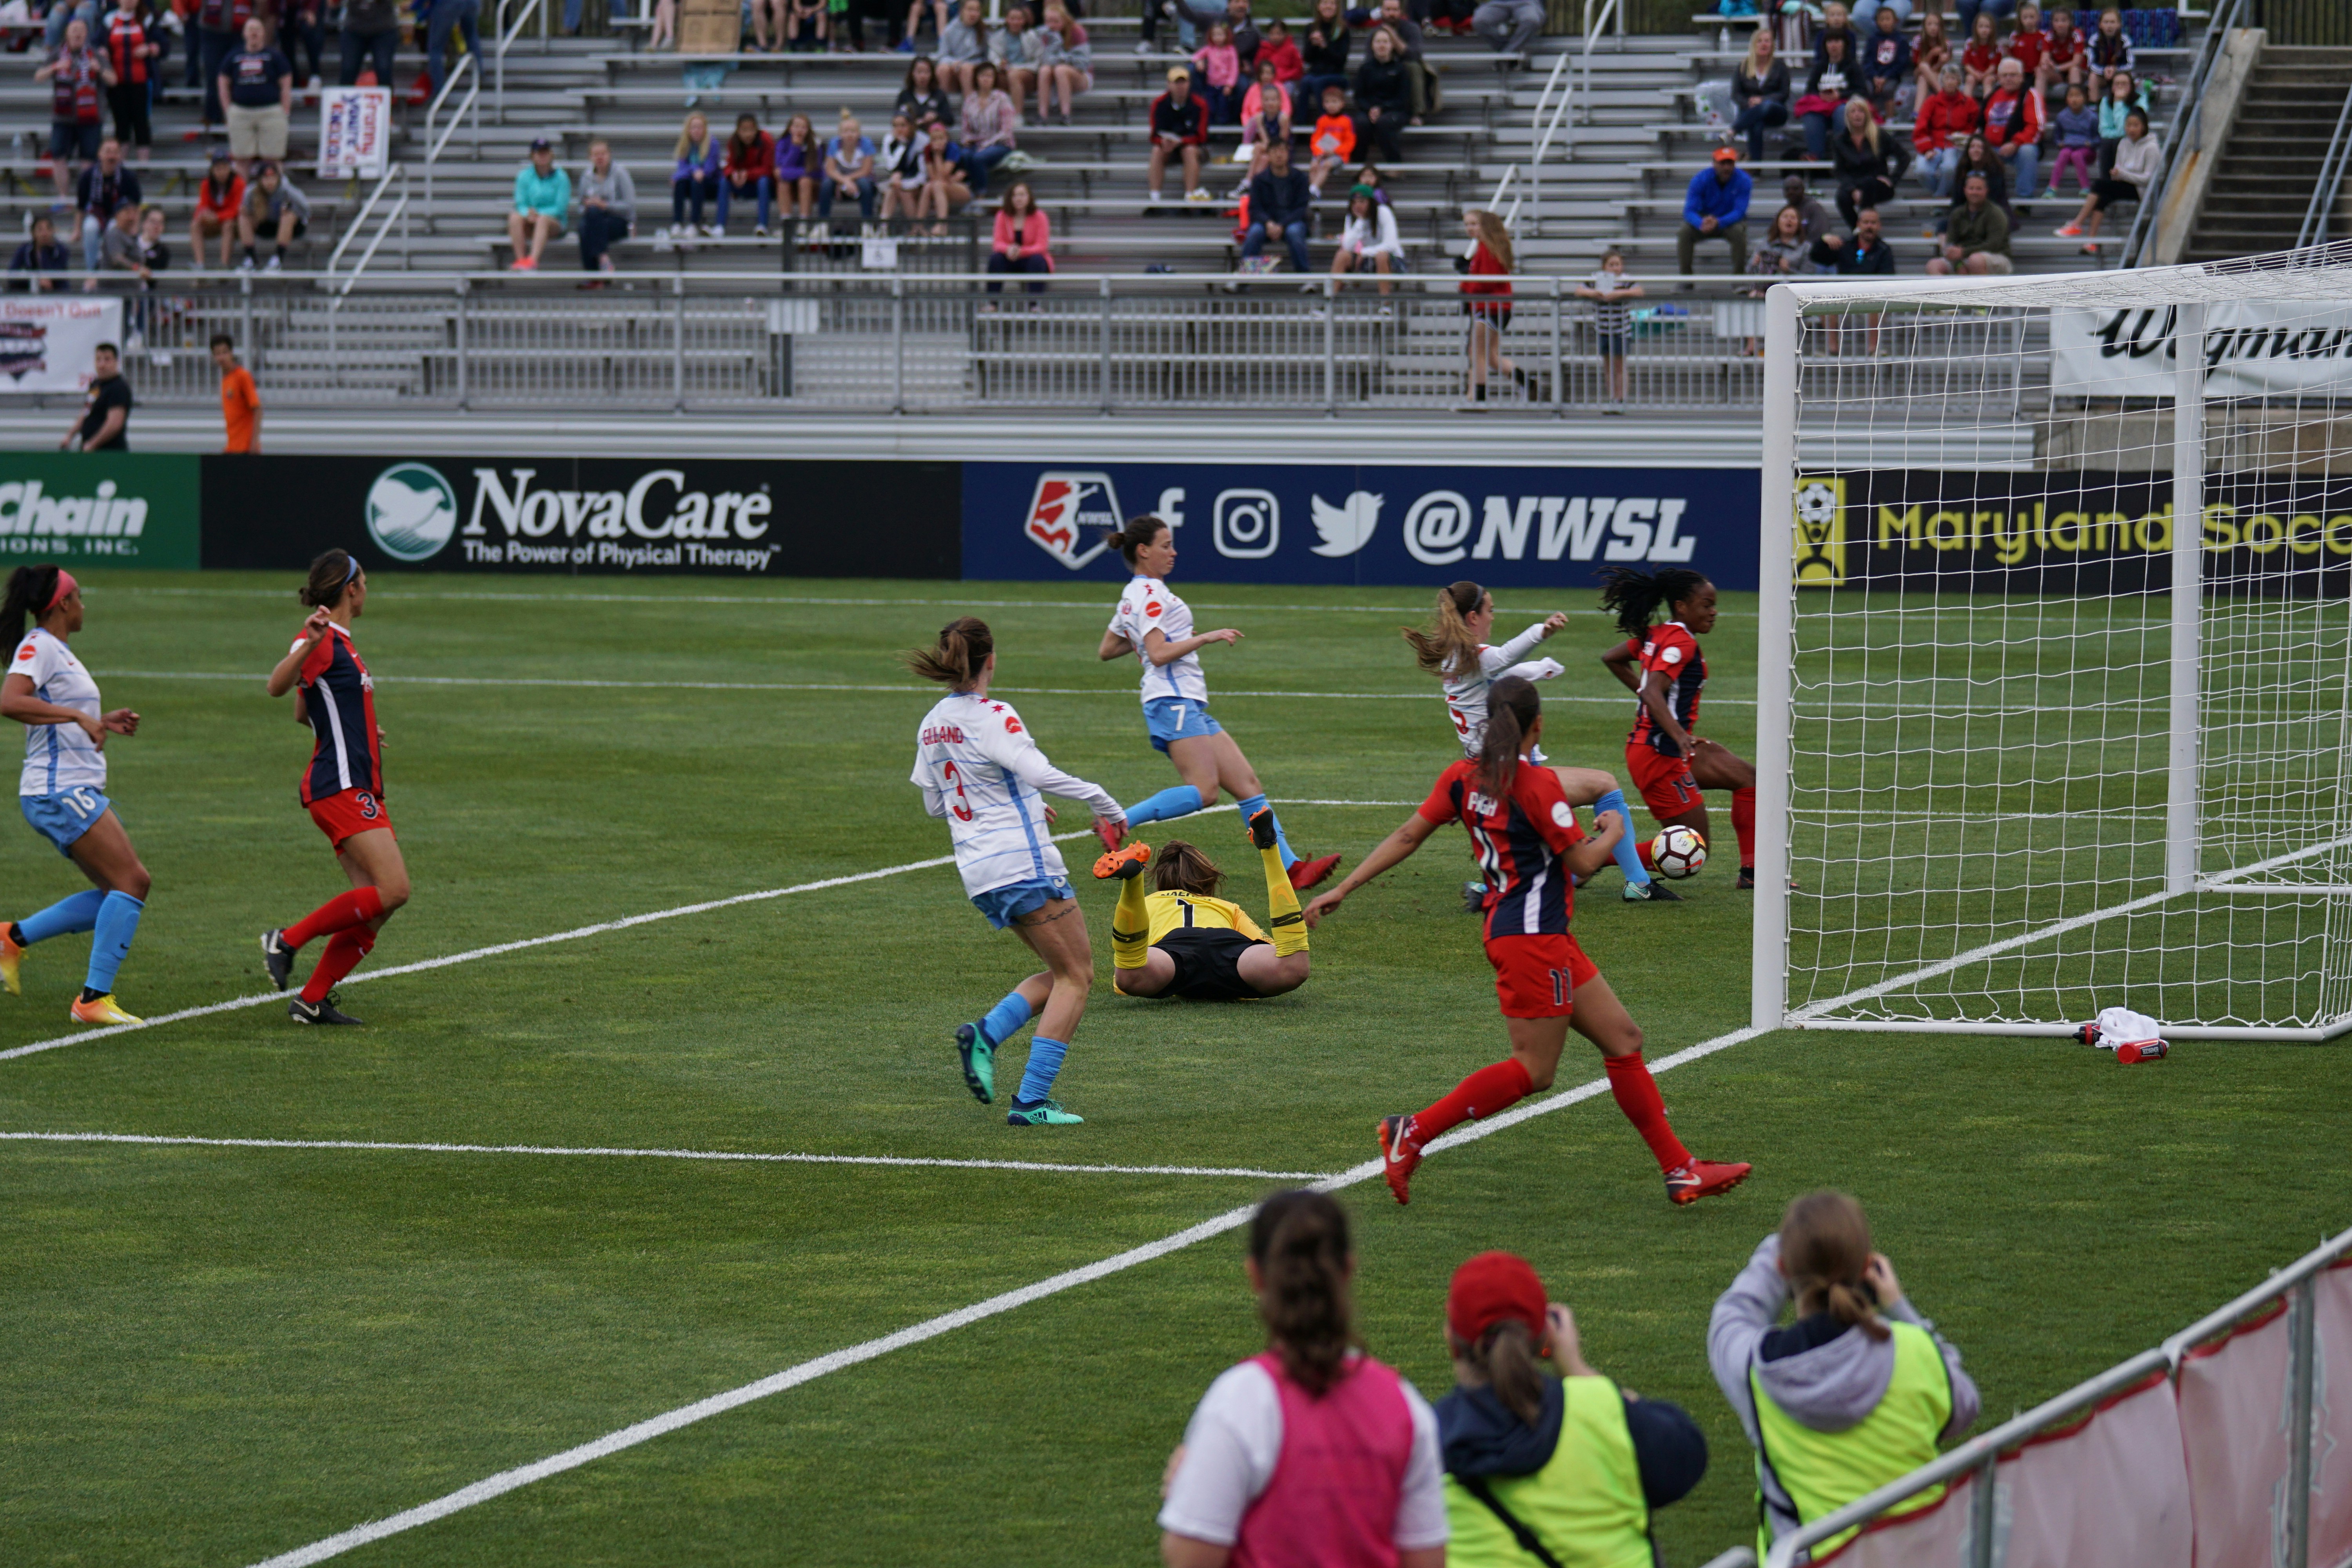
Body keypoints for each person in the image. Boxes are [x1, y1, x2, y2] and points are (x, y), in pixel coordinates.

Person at [1302, 675, 1752, 1208]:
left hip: (1530, 933)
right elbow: (1584, 862)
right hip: (1532, 939)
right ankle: (1413, 1132)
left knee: (1624, 1040)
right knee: (1535, 1071)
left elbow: (1408, 835)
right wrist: (1611, 828)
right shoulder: (1538, 787)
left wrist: (1346, 889)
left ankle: (1681, 1170)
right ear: (1537, 725)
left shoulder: (1462, 779)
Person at [1158, 1190, 1450, 1568]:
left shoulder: (1240, 1402)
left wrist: (1186, 1492)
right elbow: (1428, 1560)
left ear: (1255, 1275)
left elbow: (1190, 1558)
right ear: (1347, 1270)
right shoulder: (1406, 1408)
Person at [910, 616, 1124, 1124]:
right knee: (1078, 977)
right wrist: (1105, 803)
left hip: (979, 872)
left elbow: (935, 806)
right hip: (1023, 864)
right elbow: (1039, 773)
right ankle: (1030, 1101)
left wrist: (1018, 803)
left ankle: (984, 1036)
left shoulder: (932, 722)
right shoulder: (993, 715)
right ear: (991, 660)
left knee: (1059, 974)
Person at [1710, 1191, 1980, 1560]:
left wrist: (1785, 1248)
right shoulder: (1914, 1348)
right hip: (1925, 1556)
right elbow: (1965, 1404)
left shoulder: (1758, 1370)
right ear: (1868, 1266)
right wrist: (1899, 1307)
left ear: (1785, 1269)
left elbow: (1731, 1318)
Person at [1097, 514, 1338, 891]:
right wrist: (1204, 638)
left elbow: (1108, 649)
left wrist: (1167, 637)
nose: (1173, 552)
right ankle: (1117, 821)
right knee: (1204, 791)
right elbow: (1159, 655)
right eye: (1165, 545)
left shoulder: (1135, 594)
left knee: (1247, 786)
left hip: (1185, 700)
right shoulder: (1151, 594)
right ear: (1143, 551)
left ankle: (1291, 868)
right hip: (1171, 699)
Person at [1436, 1250, 1709, 1567]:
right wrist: (1579, 1370)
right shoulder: (1600, 1408)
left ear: (1452, 1341)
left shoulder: (1423, 1440)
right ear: (1545, 1338)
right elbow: (1686, 1458)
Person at [1403, 579, 1662, 904]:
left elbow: (1493, 679)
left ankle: (1499, 888)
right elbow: (1501, 659)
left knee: (1577, 869)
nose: (1493, 617)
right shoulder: (1475, 657)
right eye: (1491, 610)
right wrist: (1543, 630)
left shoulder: (1454, 660)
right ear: (1473, 618)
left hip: (1489, 778)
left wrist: (1536, 671)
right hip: (1516, 778)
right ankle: (1638, 884)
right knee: (1606, 785)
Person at [260, 551, 409, 1027]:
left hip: (354, 783)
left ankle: (311, 1000)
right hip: (339, 785)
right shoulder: (320, 639)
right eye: (364, 581)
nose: (368, 589)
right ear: (351, 588)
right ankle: (285, 940)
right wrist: (307, 645)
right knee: (395, 889)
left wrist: (363, 727)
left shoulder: (341, 644)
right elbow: (276, 687)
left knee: (373, 907)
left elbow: (308, 713)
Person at [0, 564, 148, 1026]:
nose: (84, 604)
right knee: (133, 881)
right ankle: (92, 1000)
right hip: (58, 790)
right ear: (63, 603)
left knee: (116, 891)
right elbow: (9, 700)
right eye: (79, 596)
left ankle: (11, 938)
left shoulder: (58, 651)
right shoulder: (39, 646)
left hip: (66, 787)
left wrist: (99, 720)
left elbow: (54, 713)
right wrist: (78, 717)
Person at [1597, 565, 1764, 886]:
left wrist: (1669, 723)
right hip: (1659, 754)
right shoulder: (1681, 643)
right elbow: (1652, 690)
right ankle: (1588, 856)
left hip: (1662, 747)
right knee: (1693, 847)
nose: (1714, 612)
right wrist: (1676, 732)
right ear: (1681, 606)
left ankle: (1753, 873)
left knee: (1749, 780)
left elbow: (1612, 658)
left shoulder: (1658, 634)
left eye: (1714, 605)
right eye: (1706, 605)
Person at [1095, 819, 1311, 1002]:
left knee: (1130, 973)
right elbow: (1274, 949)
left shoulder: (1148, 903)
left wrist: (1129, 973)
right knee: (1293, 965)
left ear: (1161, 881)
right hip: (1228, 947)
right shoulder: (1227, 907)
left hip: (1172, 953)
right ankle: (1270, 849)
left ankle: (1134, 879)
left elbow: (1122, 985)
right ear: (1208, 881)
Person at [2055, 104, 2154, 252]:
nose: (2132, 129)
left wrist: (2123, 175)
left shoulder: (2151, 148)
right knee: (2102, 198)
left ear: (2144, 127)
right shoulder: (2124, 143)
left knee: (2099, 185)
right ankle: (2091, 241)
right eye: (2129, 125)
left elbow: (2148, 179)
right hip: (2125, 184)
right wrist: (2117, 175)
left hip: (2141, 190)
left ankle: (2077, 224)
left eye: (2136, 126)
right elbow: (2120, 168)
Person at [38, 17, 115, 201]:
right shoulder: (58, 54)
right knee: (58, 155)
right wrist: (55, 68)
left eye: (81, 30)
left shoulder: (96, 55)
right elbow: (38, 76)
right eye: (74, 30)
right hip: (62, 117)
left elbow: (114, 80)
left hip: (90, 117)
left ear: (87, 34)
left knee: (88, 159)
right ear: (67, 34)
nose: (77, 34)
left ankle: (85, 198)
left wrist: (100, 70)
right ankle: (63, 197)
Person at [216, 16, 289, 172]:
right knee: (241, 160)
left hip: (270, 112)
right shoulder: (234, 56)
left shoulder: (274, 56)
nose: (254, 33)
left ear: (264, 33)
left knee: (273, 159)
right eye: (250, 29)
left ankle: (276, 195)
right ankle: (242, 196)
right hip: (241, 112)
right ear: (244, 34)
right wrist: (228, 110)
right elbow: (223, 81)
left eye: (258, 29)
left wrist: (285, 110)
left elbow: (286, 82)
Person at [1459, 207, 1515, 408]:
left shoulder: (1487, 249)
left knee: (1477, 353)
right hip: (1493, 306)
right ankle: (1527, 383)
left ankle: (1479, 398)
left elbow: (1486, 281)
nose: (1472, 229)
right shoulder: (1489, 248)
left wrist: (1467, 287)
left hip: (1491, 306)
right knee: (1489, 355)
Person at [1574, 246, 1642, 411]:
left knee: (1620, 365)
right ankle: (1612, 398)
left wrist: (1619, 294)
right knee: (1608, 366)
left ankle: (1621, 399)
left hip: (1621, 330)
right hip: (1603, 330)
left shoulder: (1625, 279)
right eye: (1612, 265)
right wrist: (1593, 294)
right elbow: (1579, 290)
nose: (1615, 268)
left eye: (1618, 264)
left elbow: (1639, 291)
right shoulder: (1597, 278)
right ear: (1604, 266)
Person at [1829, 97, 1907, 227]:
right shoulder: (1840, 140)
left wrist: (1893, 179)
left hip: (1878, 185)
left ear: (1867, 114)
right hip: (1854, 183)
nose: (1857, 115)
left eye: (1861, 111)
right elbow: (1840, 170)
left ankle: (1867, 227)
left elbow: (1904, 157)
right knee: (1842, 198)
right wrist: (1853, 189)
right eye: (1853, 112)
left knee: (1869, 185)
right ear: (1847, 116)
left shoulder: (1879, 135)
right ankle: (1858, 231)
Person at [1241, 135, 1311, 275]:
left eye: (1282, 151)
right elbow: (1255, 208)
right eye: (1274, 151)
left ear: (1288, 153)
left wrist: (1282, 225)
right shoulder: (1259, 180)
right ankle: (1244, 278)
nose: (1279, 155)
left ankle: (1305, 277)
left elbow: (1301, 208)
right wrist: (1269, 224)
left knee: (1294, 232)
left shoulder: (1300, 178)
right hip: (1266, 223)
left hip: (1292, 221)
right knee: (1255, 232)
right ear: (1268, 155)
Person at [1980, 56, 2042, 212]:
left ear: (2022, 77)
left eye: (2013, 75)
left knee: (2028, 151)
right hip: (1992, 147)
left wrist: (2015, 143)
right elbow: (1981, 122)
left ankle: (2024, 202)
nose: (2009, 79)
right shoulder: (1994, 95)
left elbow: (2036, 127)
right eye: (2005, 75)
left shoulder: (2031, 95)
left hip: (2018, 148)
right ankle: (1981, 201)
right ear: (1999, 78)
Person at [1677, 145, 1750, 279]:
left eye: (1730, 163)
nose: (1727, 168)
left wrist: (1719, 222)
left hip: (1729, 222)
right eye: (1723, 163)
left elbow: (1739, 212)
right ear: (1714, 163)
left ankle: (1739, 279)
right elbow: (1689, 211)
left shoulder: (1744, 180)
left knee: (1740, 233)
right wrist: (1701, 223)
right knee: (1684, 232)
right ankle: (1685, 279)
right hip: (1705, 221)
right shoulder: (1700, 179)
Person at [73, 136, 139, 274]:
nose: (112, 156)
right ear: (100, 154)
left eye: (115, 152)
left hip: (119, 218)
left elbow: (136, 206)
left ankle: (107, 270)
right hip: (97, 215)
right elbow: (81, 206)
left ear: (120, 156)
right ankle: (92, 272)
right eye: (108, 152)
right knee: (90, 228)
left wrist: (135, 227)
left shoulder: (128, 177)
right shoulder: (88, 176)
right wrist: (77, 230)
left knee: (113, 231)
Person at [1147, 65, 1210, 204]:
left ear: (1189, 84)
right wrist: (1164, 142)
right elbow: (1154, 135)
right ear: (1169, 85)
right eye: (1176, 82)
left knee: (1189, 151)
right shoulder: (1159, 104)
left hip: (1194, 148)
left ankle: (1190, 196)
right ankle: (1155, 198)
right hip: (1169, 147)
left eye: (1184, 82)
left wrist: (1182, 141)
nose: (1180, 86)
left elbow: (1202, 136)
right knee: (1157, 150)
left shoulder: (1200, 105)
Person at [1927, 168, 2011, 272]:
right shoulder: (1957, 213)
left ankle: (1982, 288)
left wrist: (1964, 253)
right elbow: (1951, 243)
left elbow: (1994, 244)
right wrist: (1958, 264)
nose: (1975, 192)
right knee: (1934, 265)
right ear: (1965, 190)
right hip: (1962, 257)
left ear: (1986, 191)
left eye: (1979, 189)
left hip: (1996, 256)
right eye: (1971, 188)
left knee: (1975, 261)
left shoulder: (1996, 213)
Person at [1913, 64, 1977, 198]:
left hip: (1955, 145)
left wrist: (1962, 137)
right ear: (1942, 81)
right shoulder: (1931, 102)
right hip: (1933, 144)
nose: (1950, 82)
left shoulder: (1969, 103)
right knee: (1921, 171)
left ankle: (1939, 199)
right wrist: (1927, 149)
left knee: (1949, 169)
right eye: (1947, 79)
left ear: (1959, 82)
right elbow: (1920, 127)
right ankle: (1944, 194)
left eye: (1954, 79)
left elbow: (1974, 125)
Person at [575, 138, 636, 279]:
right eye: (596, 154)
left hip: (619, 221)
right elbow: (580, 207)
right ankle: (603, 260)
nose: (600, 157)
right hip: (595, 220)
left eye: (603, 154)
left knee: (587, 227)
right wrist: (588, 205)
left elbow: (630, 206)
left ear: (609, 155)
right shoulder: (586, 177)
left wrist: (606, 206)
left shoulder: (620, 173)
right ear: (590, 157)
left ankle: (593, 274)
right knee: (586, 223)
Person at [100, 0, 156, 155]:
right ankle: (121, 165)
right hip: (116, 82)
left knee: (141, 122)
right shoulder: (109, 19)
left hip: (141, 81)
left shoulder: (146, 18)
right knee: (121, 123)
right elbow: (99, 42)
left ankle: (143, 166)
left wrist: (149, 49)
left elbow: (162, 44)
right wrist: (103, 51)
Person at [1730, 27, 1789, 167]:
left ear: (1772, 45)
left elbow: (1784, 93)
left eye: (1767, 41)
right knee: (1756, 125)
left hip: (1776, 111)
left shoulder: (1780, 66)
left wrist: (1763, 100)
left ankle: (1734, 129)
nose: (1764, 44)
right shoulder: (1743, 66)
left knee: (1766, 105)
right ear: (1754, 45)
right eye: (1760, 41)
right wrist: (1748, 103)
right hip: (1751, 112)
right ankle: (1756, 168)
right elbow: (1736, 94)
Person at [506, 136, 568, 270]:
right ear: (532, 156)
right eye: (539, 153)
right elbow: (520, 203)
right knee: (515, 217)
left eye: (545, 153)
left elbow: (561, 207)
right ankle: (521, 259)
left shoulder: (561, 177)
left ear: (551, 155)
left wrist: (539, 214)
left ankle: (533, 260)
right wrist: (527, 214)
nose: (542, 156)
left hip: (554, 223)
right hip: (531, 220)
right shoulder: (524, 176)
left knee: (543, 220)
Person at [1352, 24, 1410, 163]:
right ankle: (1358, 165)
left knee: (1384, 123)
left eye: (1386, 42)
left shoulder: (1401, 69)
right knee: (1361, 123)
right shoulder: (1365, 69)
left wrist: (1382, 109)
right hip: (1369, 110)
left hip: (1394, 111)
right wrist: (1370, 110)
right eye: (1378, 42)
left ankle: (1395, 166)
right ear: (1372, 46)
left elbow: (1403, 98)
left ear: (1392, 46)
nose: (1382, 46)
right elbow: (1359, 97)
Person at [236, 158, 307, 271]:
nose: (270, 182)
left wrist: (291, 208)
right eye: (266, 178)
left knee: (288, 216)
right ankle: (251, 258)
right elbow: (244, 209)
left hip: (289, 227)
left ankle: (278, 259)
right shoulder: (251, 192)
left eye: (273, 178)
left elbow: (306, 209)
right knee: (243, 216)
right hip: (266, 224)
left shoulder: (287, 190)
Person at [1794, 33, 1855, 163]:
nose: (1834, 45)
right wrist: (1821, 96)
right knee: (1811, 115)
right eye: (1830, 42)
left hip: (1842, 105)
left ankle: (1842, 156)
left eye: (1837, 41)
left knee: (1842, 112)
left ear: (1844, 45)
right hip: (1822, 106)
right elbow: (1810, 90)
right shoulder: (1819, 67)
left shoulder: (1853, 66)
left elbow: (1861, 91)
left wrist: (1840, 95)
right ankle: (1815, 157)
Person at [985, 178, 1051, 298]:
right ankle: (992, 303)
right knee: (996, 259)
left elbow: (1042, 246)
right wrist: (1008, 250)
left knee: (1037, 260)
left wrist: (1021, 252)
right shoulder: (1002, 216)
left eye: (1022, 195)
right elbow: (998, 243)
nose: (1018, 199)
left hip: (1030, 259)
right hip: (1009, 258)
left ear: (1029, 197)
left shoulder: (1040, 216)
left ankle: (1035, 304)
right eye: (1015, 195)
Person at [1332, 182, 1400, 294]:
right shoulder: (1353, 218)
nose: (1357, 206)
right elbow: (1347, 246)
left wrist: (1363, 253)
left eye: (1362, 202)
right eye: (1354, 203)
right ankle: (1329, 301)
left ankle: (1386, 304)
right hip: (1365, 260)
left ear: (1371, 203)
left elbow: (1391, 245)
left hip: (1391, 259)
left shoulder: (1383, 212)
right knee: (1342, 255)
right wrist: (1361, 221)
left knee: (1381, 256)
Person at [717, 111, 776, 235]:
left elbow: (768, 169)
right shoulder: (734, 142)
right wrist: (733, 175)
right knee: (724, 182)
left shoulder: (766, 140)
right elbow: (729, 165)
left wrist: (747, 174)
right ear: (738, 131)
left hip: (762, 185)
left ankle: (762, 225)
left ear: (756, 129)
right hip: (742, 184)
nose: (748, 135)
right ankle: (720, 226)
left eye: (751, 130)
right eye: (744, 130)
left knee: (764, 181)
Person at [1031, 2, 1089, 127]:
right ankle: (1042, 115)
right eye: (1048, 21)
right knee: (1045, 70)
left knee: (1061, 70)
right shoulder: (1045, 34)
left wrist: (1062, 59)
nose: (1052, 26)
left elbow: (1083, 62)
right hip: (1053, 76)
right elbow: (1043, 60)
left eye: (1056, 21)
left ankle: (1066, 114)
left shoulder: (1077, 31)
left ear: (1064, 19)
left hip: (1079, 75)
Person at [1237, 60, 1293, 185]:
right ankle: (1251, 183)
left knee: (1262, 153)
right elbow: (1246, 110)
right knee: (1262, 156)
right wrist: (1249, 123)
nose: (1270, 103)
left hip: (1279, 146)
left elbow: (1281, 142)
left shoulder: (1280, 90)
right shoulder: (1254, 91)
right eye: (1267, 100)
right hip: (1266, 140)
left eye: (1273, 100)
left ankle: (1249, 182)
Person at [668, 112, 721, 237]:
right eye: (693, 128)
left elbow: (710, 169)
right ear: (688, 130)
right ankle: (677, 223)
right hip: (693, 180)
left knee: (696, 182)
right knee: (680, 183)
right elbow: (682, 168)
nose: (696, 131)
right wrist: (694, 170)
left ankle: (694, 224)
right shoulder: (685, 145)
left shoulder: (713, 144)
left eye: (700, 127)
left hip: (710, 184)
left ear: (705, 129)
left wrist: (695, 171)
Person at [189, 150, 243, 270]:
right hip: (215, 220)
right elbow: (202, 205)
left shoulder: (238, 183)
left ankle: (223, 264)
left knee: (228, 225)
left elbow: (236, 210)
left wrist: (217, 217)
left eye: (224, 168)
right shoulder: (207, 184)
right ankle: (200, 264)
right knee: (195, 225)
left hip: (233, 223)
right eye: (218, 168)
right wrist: (203, 214)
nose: (221, 172)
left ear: (230, 169)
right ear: (212, 170)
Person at [817, 113, 877, 219]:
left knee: (865, 185)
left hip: (861, 178)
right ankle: (823, 222)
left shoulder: (866, 144)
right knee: (826, 185)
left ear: (859, 133)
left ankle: (868, 223)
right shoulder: (834, 144)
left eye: (853, 131)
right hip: (840, 179)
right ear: (840, 134)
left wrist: (848, 180)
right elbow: (830, 170)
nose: (850, 135)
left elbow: (866, 171)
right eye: (846, 132)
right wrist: (845, 181)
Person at [913, 117, 969, 229]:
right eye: (935, 139)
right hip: (942, 185)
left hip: (962, 189)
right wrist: (935, 155)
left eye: (941, 138)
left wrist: (938, 156)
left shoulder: (953, 149)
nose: (938, 142)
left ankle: (942, 224)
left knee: (937, 185)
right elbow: (934, 178)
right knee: (928, 186)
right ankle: (918, 226)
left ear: (947, 138)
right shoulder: (928, 151)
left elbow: (943, 176)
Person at [2045, 80, 2098, 199]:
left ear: (2085, 98)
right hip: (2069, 147)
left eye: (2078, 96)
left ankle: (2086, 187)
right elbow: (2057, 136)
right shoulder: (2062, 116)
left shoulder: (2092, 117)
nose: (2075, 99)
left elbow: (2098, 138)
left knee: (2077, 155)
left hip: (2087, 152)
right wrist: (2059, 143)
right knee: (2064, 153)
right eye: (2071, 96)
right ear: (2067, 99)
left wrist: (2091, 143)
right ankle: (2052, 187)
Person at [1298, 0, 1349, 121]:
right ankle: (1301, 126)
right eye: (1325, 3)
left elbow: (1341, 60)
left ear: (1337, 7)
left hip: (1336, 74)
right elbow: (1308, 58)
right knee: (1305, 82)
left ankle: (1326, 121)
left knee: (1318, 83)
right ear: (1319, 7)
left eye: (1332, 3)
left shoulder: (1342, 29)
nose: (1328, 7)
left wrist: (1325, 46)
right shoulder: (1312, 28)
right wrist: (1313, 45)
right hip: (1316, 73)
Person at [1307, 83, 1355, 196]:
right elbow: (1316, 139)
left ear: (1342, 104)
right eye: (1328, 102)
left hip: (1339, 155)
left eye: (1335, 102)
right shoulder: (1322, 121)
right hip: (1322, 152)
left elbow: (1350, 142)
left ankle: (1313, 188)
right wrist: (1319, 153)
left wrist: (1335, 151)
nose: (1331, 105)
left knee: (1326, 165)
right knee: (1314, 166)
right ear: (1324, 104)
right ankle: (1315, 191)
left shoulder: (1346, 121)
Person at [213, 330, 258, 451]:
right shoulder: (226, 380)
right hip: (232, 447)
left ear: (232, 353)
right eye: (218, 354)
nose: (222, 357)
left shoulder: (242, 377)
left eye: (225, 352)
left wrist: (254, 443)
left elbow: (257, 408)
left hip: (246, 448)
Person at [1189, 17, 1240, 124]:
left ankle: (1222, 130)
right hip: (1211, 85)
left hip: (1224, 85)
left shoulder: (1231, 50)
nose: (1218, 38)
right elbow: (1195, 56)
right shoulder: (1209, 49)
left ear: (1226, 36)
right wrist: (1199, 61)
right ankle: (1211, 128)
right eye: (1215, 35)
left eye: (1221, 35)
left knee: (1223, 108)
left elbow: (1234, 69)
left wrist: (1230, 85)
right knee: (1211, 107)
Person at [338, 0, 399, 87]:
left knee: (384, 69)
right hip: (354, 29)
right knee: (348, 69)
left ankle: (387, 99)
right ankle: (345, 99)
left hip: (384, 29)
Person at [1858, 4, 1906, 114]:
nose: (1885, 23)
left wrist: (1886, 77)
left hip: (1891, 76)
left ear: (1895, 21)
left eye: (1888, 19)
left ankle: (1890, 118)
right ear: (1877, 22)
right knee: (1868, 89)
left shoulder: (1901, 40)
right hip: (1874, 76)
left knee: (1888, 90)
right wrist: (1874, 77)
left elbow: (1901, 63)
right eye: (1882, 20)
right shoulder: (1873, 39)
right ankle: (1873, 118)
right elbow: (1868, 60)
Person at [989, 4, 1033, 119]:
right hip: (1005, 71)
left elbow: (1038, 60)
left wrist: (1019, 68)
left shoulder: (1032, 37)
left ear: (1024, 21)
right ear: (1007, 20)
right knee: (988, 75)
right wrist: (1000, 64)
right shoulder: (997, 37)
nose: (1016, 22)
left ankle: (1017, 115)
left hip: (1027, 70)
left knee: (1014, 76)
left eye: (1019, 19)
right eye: (1013, 19)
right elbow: (993, 57)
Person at [877, 109, 923, 220]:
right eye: (896, 126)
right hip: (898, 182)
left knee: (901, 190)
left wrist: (904, 182)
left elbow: (922, 173)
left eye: (903, 126)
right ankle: (884, 226)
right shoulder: (890, 140)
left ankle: (915, 228)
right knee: (893, 190)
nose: (899, 129)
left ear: (911, 126)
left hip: (919, 180)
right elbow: (891, 166)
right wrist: (901, 146)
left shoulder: (921, 141)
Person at [772, 114, 820, 220]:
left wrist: (788, 173)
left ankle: (804, 222)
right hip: (790, 183)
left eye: (804, 127)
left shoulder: (816, 144)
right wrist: (795, 148)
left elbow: (817, 171)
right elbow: (781, 169)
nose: (800, 131)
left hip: (812, 185)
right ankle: (787, 222)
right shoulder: (783, 143)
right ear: (790, 128)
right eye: (797, 127)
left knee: (805, 181)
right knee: (783, 183)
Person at [11, 212, 71, 293]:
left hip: (56, 293)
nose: (44, 234)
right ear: (33, 233)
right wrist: (35, 281)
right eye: (40, 230)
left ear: (53, 231)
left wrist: (45, 252)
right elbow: (12, 274)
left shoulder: (61, 251)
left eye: (48, 229)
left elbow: (60, 276)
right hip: (27, 293)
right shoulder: (24, 250)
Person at [936, 0, 985, 94]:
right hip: (955, 68)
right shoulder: (950, 30)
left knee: (966, 69)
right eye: (970, 10)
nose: (974, 14)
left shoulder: (983, 31)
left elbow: (987, 57)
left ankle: (970, 104)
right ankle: (942, 102)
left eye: (977, 10)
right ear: (961, 11)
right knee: (943, 69)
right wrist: (954, 63)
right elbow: (942, 56)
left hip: (975, 69)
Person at [2039, 4, 2084, 93]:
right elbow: (2044, 59)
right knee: (2041, 70)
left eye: (2064, 21)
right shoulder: (2049, 36)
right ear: (2052, 23)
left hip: (2075, 70)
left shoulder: (2077, 35)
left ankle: (2075, 102)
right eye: (2056, 21)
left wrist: (2058, 68)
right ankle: (2039, 104)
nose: (2060, 24)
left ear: (2070, 22)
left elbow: (2077, 62)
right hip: (2057, 73)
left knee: (2074, 70)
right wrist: (2049, 64)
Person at [1472, 0, 1540, 60]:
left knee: (1531, 20)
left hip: (1527, 2)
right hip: (1498, 2)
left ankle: (1506, 55)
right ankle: (1508, 53)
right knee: (1480, 21)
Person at [895, 53, 949, 127]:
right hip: (911, 136)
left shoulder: (939, 95)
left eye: (927, 72)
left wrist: (936, 116)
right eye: (919, 72)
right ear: (912, 74)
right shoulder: (905, 95)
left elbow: (950, 120)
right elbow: (897, 118)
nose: (923, 76)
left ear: (932, 74)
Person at [1909, 9, 1950, 101]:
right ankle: (1943, 95)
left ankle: (1917, 113)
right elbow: (1919, 65)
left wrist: (1940, 63)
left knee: (1923, 79)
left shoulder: (1946, 44)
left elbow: (1941, 70)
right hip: (1919, 72)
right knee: (1924, 67)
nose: (1933, 28)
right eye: (1930, 24)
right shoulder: (1918, 41)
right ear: (1924, 27)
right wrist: (1931, 54)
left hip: (1938, 74)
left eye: (1936, 25)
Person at [1959, 11, 1999, 97]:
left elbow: (1994, 66)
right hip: (1974, 73)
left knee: (1988, 80)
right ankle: (1966, 106)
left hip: (1990, 74)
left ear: (1993, 29)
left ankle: (1986, 106)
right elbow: (1967, 64)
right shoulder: (1970, 44)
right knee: (1970, 79)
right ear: (1976, 28)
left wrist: (1985, 74)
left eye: (1987, 27)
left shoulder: (1995, 46)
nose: (1984, 30)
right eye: (1981, 27)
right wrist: (1975, 74)